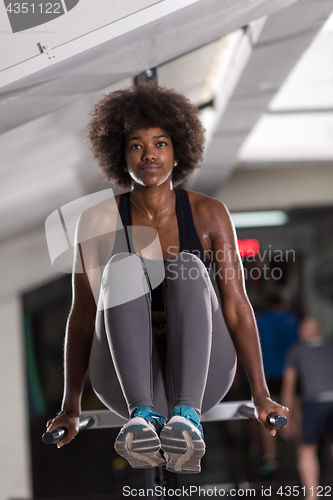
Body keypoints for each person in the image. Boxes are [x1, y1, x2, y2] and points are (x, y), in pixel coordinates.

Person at [46, 83, 288, 474]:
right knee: (123, 264)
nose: (149, 155)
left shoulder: (209, 213)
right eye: (136, 145)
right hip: (125, 384)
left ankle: (187, 420)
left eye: (160, 143)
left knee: (187, 267)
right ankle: (141, 420)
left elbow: (236, 306)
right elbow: (82, 315)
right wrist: (70, 406)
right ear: (120, 157)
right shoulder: (98, 220)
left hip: (202, 375)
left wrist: (262, 395)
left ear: (178, 152)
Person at [281, 318, 333, 499]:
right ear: (321, 332)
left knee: (307, 449)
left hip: (314, 403)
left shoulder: (296, 351)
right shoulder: (330, 346)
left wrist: (286, 416)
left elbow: (289, 386)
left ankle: (312, 496)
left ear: (302, 334)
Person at [256, 295, 298, 473]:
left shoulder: (261, 320)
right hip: (294, 372)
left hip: (269, 373)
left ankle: (270, 457)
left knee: (269, 416)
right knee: (296, 414)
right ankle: (300, 453)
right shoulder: (293, 319)